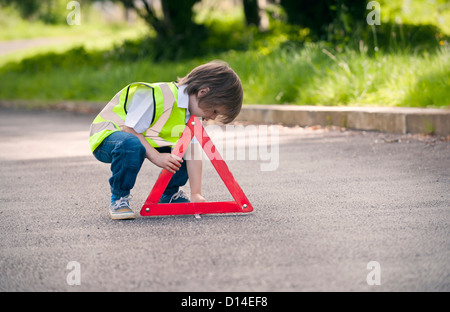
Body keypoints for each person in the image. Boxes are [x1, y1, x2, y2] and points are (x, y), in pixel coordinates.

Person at [88, 61, 243, 220]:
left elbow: (194, 153)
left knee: (184, 149)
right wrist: (156, 156)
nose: (212, 117)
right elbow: (130, 130)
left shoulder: (191, 115)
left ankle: (169, 193)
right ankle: (119, 198)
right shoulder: (157, 95)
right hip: (110, 137)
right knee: (131, 144)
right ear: (203, 92)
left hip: (143, 140)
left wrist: (196, 194)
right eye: (214, 111)